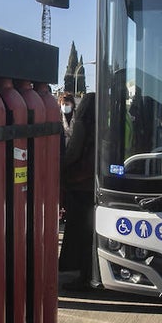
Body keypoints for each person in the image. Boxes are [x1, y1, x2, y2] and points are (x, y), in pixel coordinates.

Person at [59, 92, 97, 290]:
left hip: (80, 184)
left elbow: (74, 151)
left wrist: (61, 167)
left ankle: (80, 274)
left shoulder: (83, 123)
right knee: (89, 232)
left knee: (78, 231)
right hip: (95, 183)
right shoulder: (105, 122)